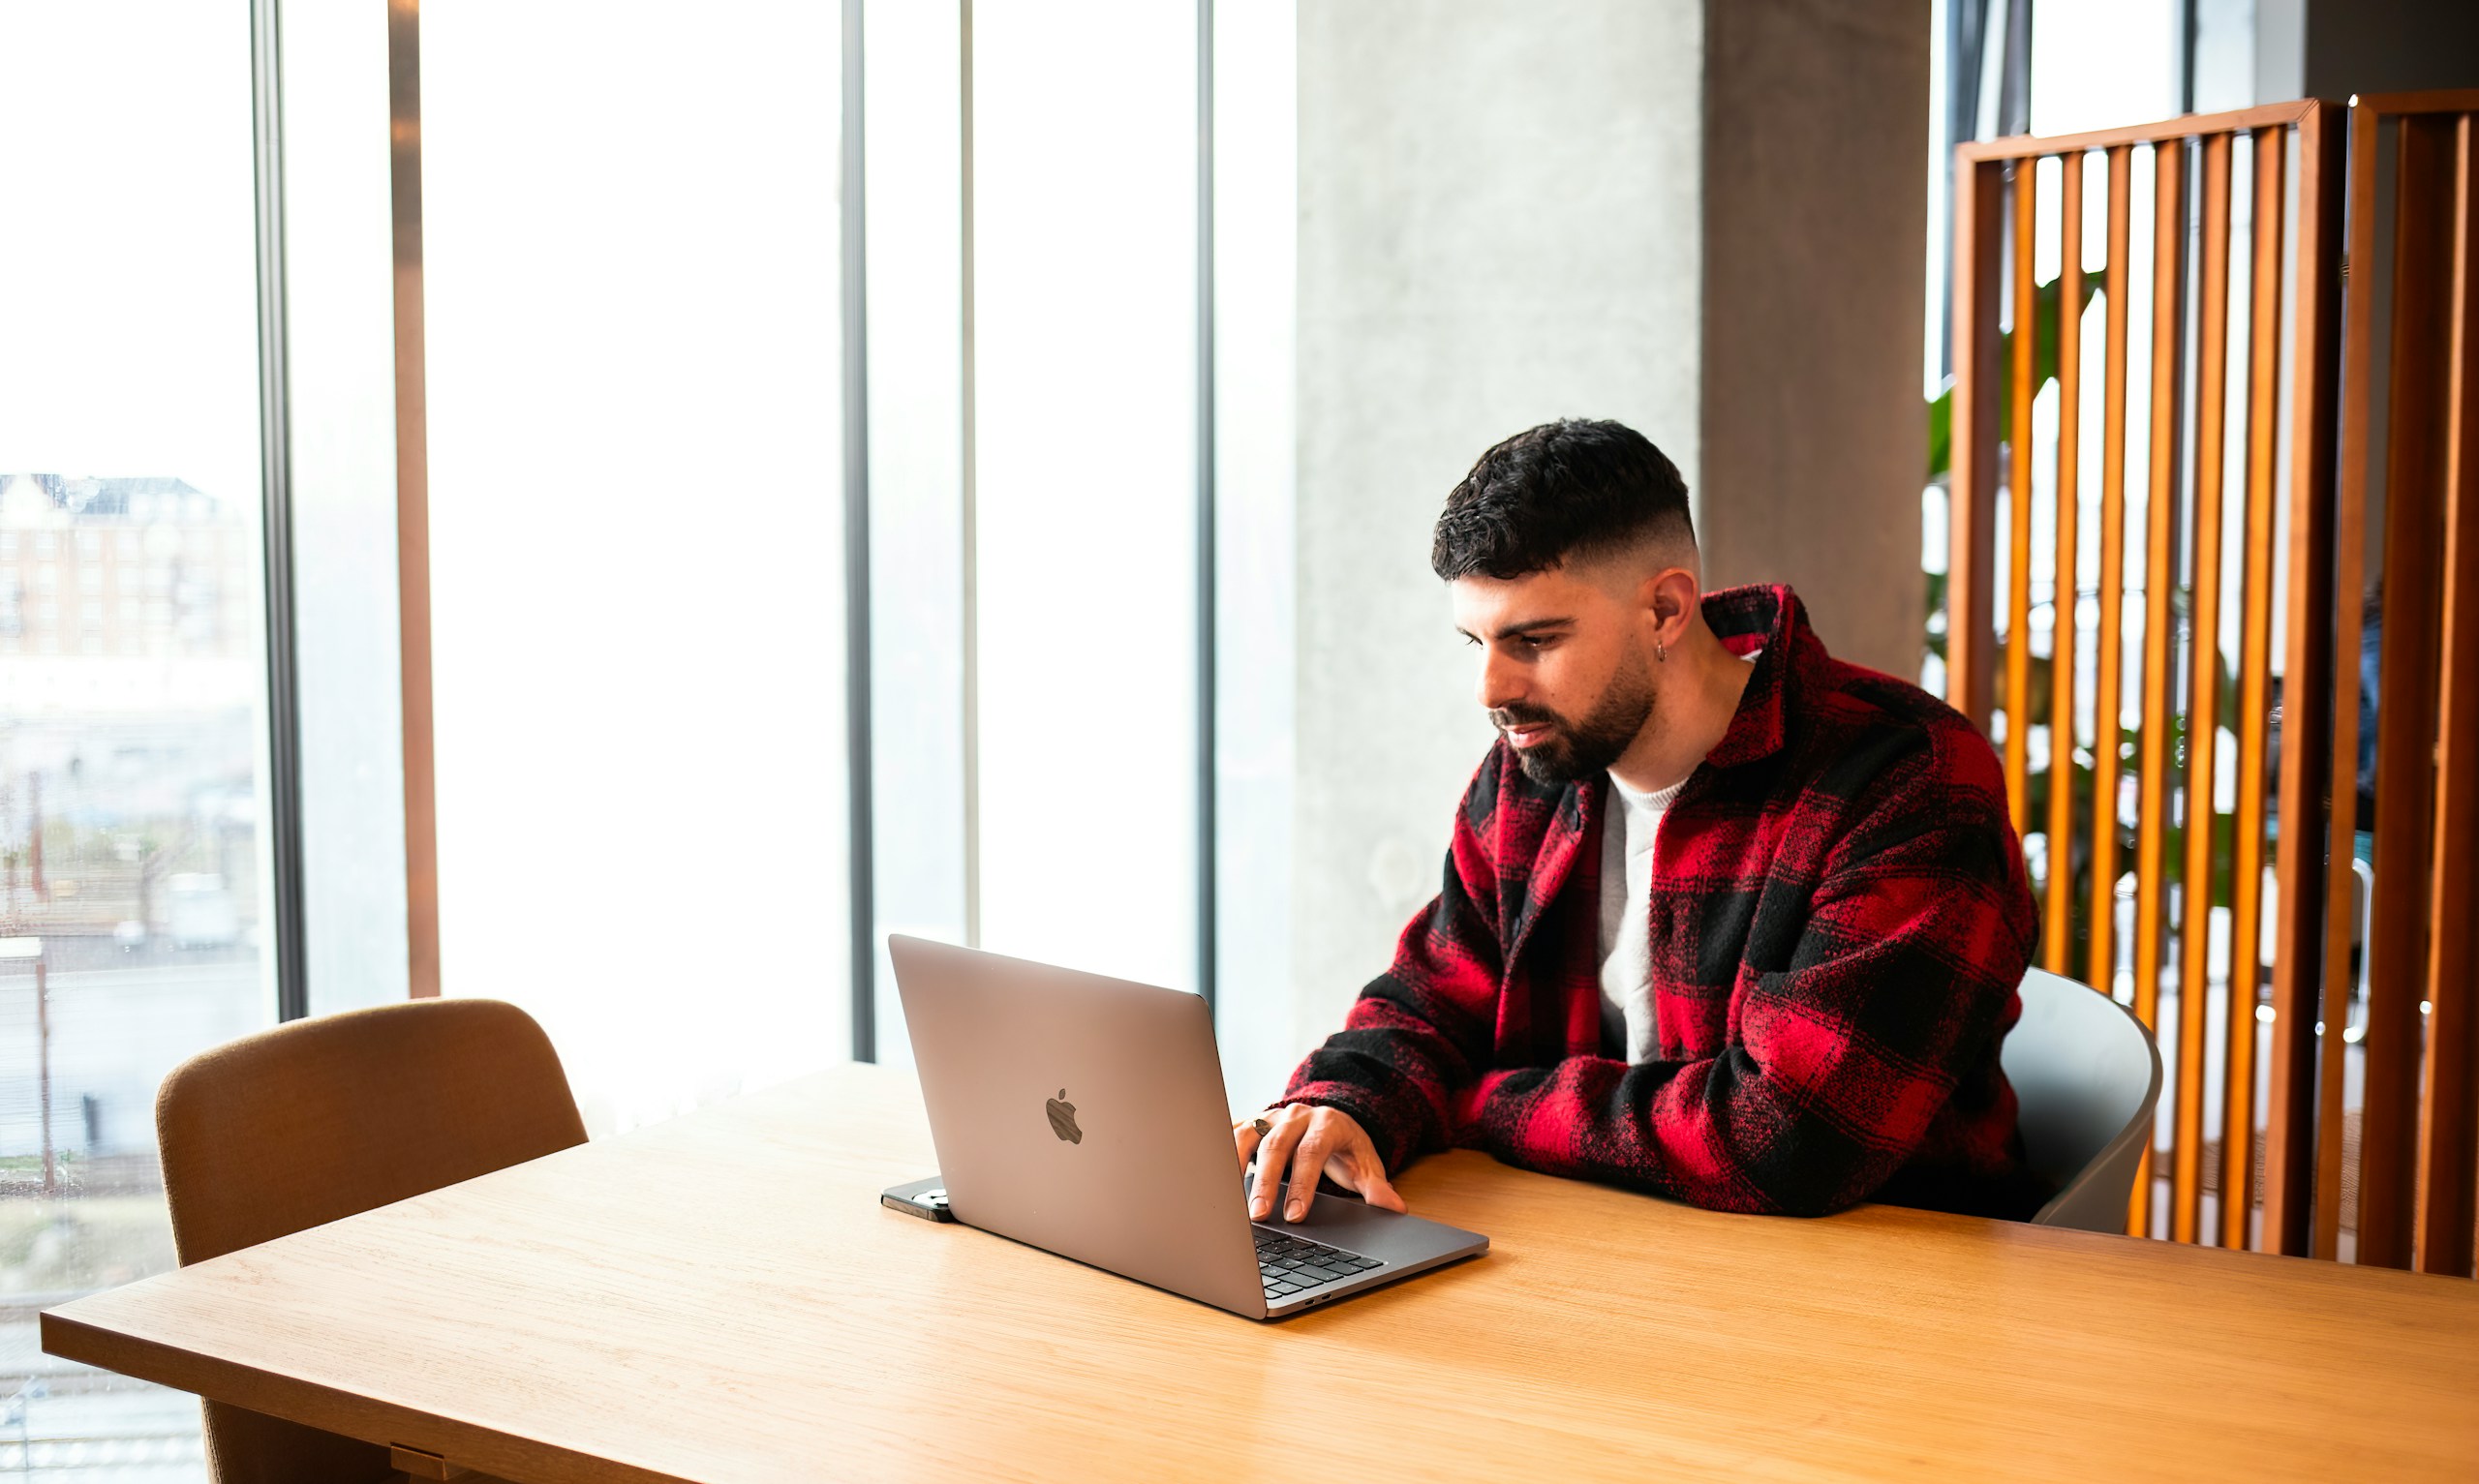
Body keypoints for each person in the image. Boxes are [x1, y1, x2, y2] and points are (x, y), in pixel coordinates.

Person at [1234, 418, 2047, 1223]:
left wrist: (1481, 1100)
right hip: (1605, 1244)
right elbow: (1433, 1000)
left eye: (1533, 640)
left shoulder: (1907, 778)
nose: (1490, 689)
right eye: (1475, 642)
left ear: (1665, 609)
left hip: (1882, 1271)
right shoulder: (1534, 769)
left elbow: (1789, 1139)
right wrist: (1341, 1104)